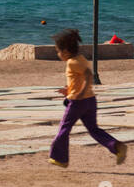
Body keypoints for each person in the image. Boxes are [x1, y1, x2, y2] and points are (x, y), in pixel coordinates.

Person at [48, 29, 127, 168]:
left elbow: (88, 75)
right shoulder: (81, 58)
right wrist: (68, 90)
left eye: (58, 51)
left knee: (64, 128)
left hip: (78, 102)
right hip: (90, 101)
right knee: (93, 129)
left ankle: (59, 158)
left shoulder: (72, 62)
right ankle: (116, 146)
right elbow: (78, 79)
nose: (58, 54)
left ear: (65, 51)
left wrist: (79, 93)